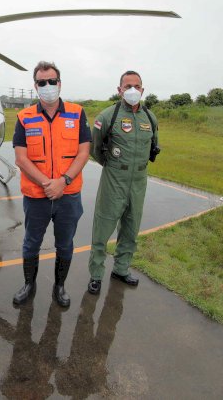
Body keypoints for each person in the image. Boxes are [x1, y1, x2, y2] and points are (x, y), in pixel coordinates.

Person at [12, 61, 91, 307]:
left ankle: (60, 286)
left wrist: (63, 181)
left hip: (68, 196)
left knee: (65, 243)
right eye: (42, 82)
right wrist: (49, 183)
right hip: (37, 196)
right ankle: (29, 284)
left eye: (52, 81)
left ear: (60, 83)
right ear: (35, 86)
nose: (47, 86)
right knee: (31, 242)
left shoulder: (77, 113)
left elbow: (83, 152)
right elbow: (21, 159)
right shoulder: (24, 117)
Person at [87, 70, 159, 294]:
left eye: (136, 86)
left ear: (143, 90)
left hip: (139, 179)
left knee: (131, 226)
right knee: (104, 225)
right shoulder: (108, 116)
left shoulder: (150, 117)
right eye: (127, 86)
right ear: (119, 90)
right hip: (115, 177)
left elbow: (153, 147)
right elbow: (95, 148)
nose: (132, 90)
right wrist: (111, 166)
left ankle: (121, 268)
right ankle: (96, 274)